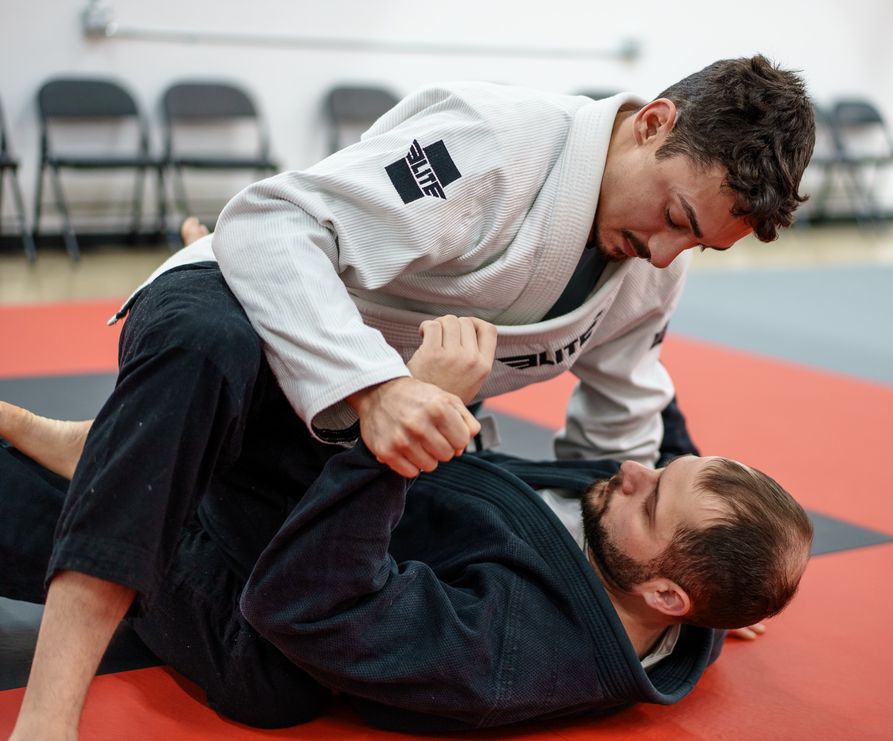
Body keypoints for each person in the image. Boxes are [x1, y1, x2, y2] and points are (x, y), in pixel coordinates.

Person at [9, 55, 815, 740]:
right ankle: (50, 707)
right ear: (654, 122)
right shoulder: (493, 144)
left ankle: (133, 453)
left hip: (335, 421)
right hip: (250, 313)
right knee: (209, 342)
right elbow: (272, 221)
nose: (668, 252)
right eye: (674, 215)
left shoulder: (652, 268)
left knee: (271, 673)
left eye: (696, 242)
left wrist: (702, 584)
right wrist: (378, 386)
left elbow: (626, 411)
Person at [0, 369, 812, 731]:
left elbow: (308, 605)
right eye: (664, 469)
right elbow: (675, 482)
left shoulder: (512, 655)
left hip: (280, 596)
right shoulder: (675, 601)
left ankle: (128, 467)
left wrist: (405, 427)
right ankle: (141, 442)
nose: (632, 469)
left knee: (269, 682)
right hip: (358, 511)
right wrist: (718, 616)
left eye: (654, 494)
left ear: (666, 592)